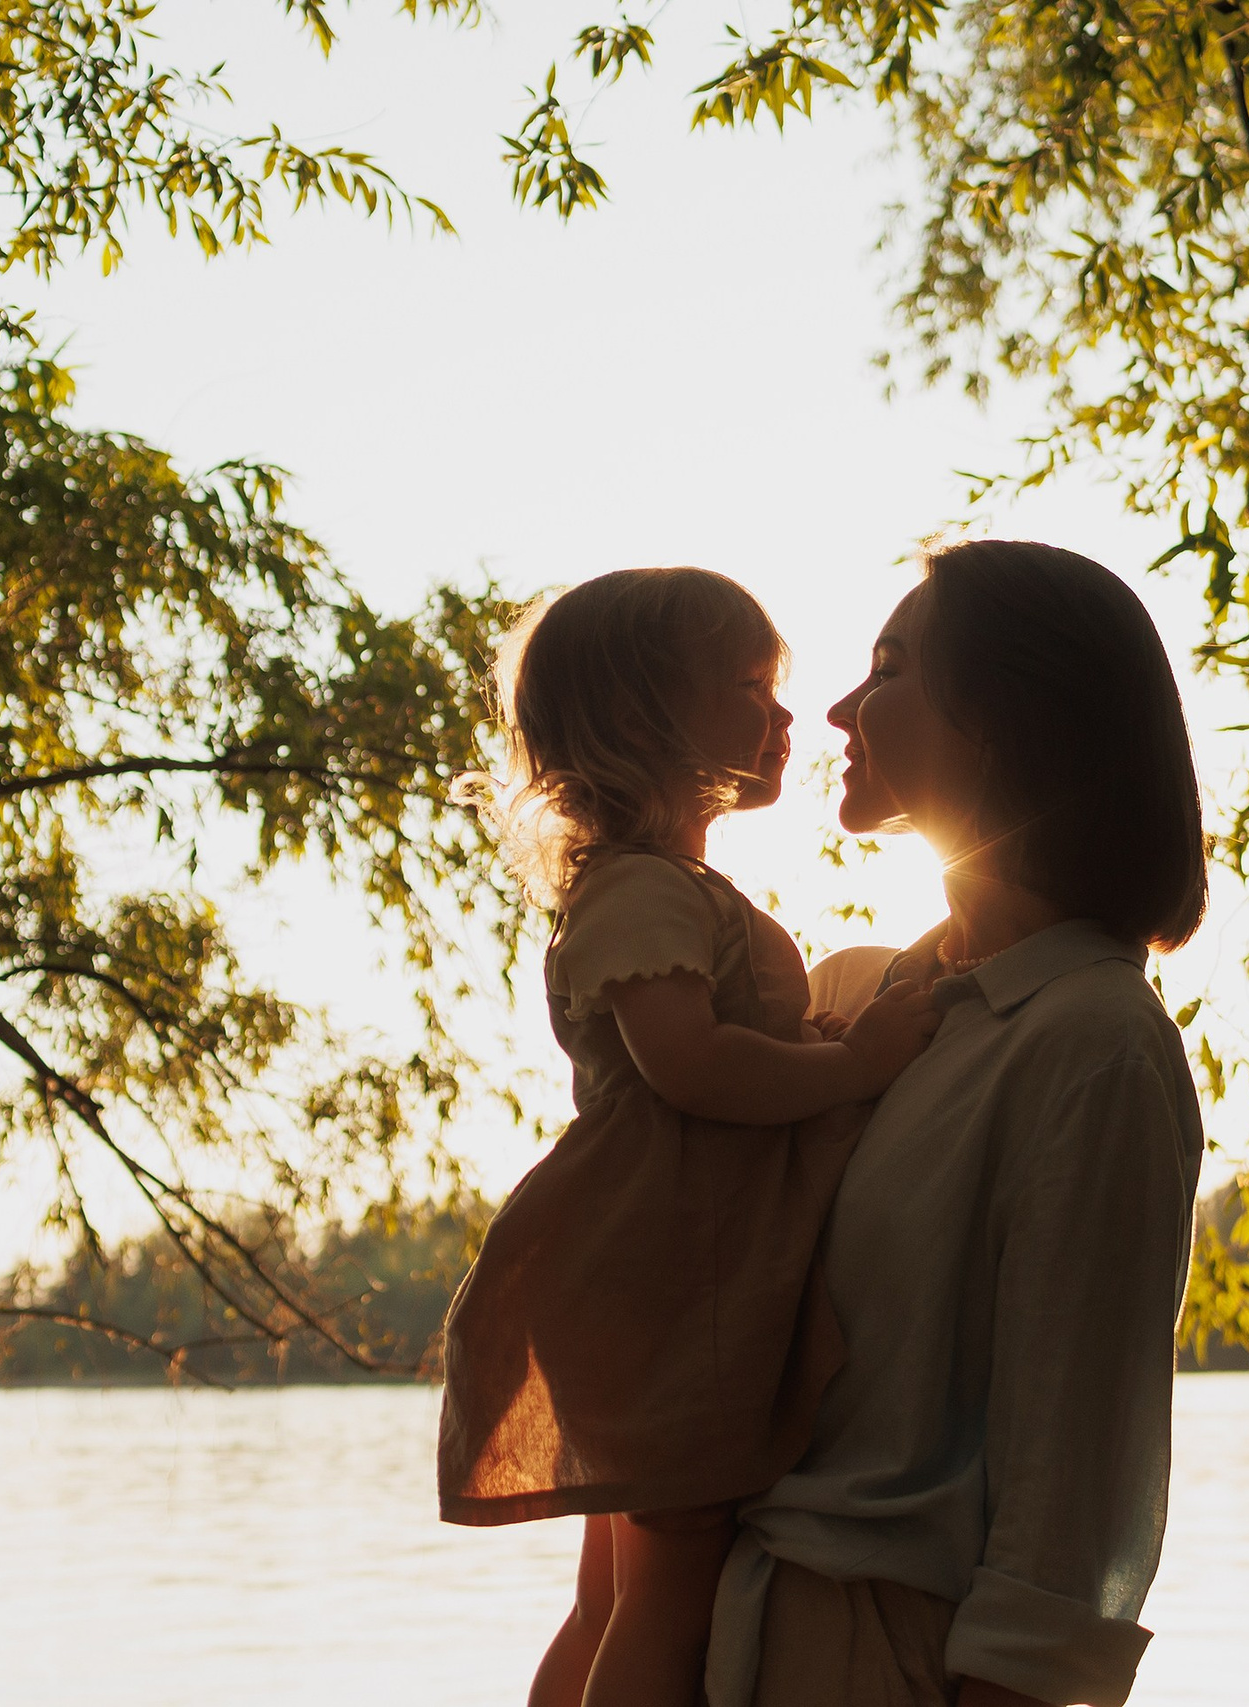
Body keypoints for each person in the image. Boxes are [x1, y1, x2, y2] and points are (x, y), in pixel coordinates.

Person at [705, 538, 1210, 1707]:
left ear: (1000, 718)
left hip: (886, 1662)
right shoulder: (869, 1006)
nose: (837, 707)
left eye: (887, 669)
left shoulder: (1090, 1042)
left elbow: (1069, 1502)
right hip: (742, 1633)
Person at [437, 566, 943, 1707]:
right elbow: (691, 1064)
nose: (783, 718)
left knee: (617, 1597)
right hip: (668, 1277)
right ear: (644, 720)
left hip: (654, 1271)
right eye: (750, 687)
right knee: (669, 1602)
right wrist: (853, 1064)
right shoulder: (640, 892)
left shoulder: (660, 888)